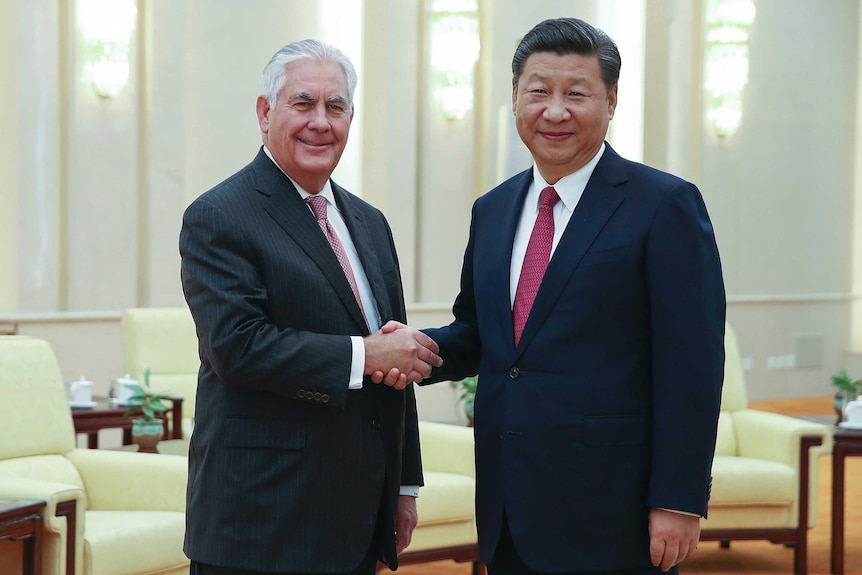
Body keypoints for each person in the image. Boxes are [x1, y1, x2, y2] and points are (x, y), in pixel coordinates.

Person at [377, 16, 726, 575]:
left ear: (611, 100)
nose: (555, 111)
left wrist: (678, 498)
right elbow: (483, 335)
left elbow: (693, 365)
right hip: (508, 503)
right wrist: (415, 349)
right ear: (515, 97)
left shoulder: (664, 205)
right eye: (538, 91)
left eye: (576, 93)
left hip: (614, 511)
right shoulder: (492, 210)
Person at [179, 39, 442, 575]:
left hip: (356, 517)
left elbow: (394, 351)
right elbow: (238, 347)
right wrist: (363, 356)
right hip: (261, 522)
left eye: (336, 107)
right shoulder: (219, 216)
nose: (321, 122)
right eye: (303, 104)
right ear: (264, 112)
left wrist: (404, 483)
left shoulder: (370, 223)